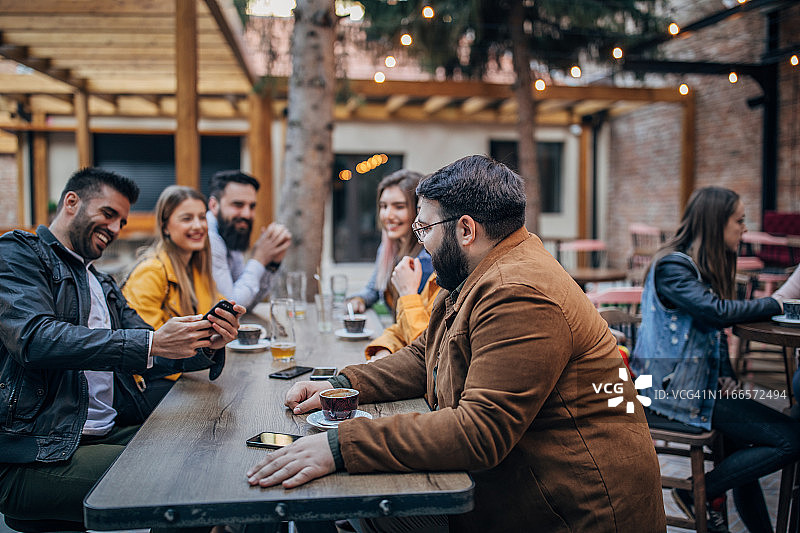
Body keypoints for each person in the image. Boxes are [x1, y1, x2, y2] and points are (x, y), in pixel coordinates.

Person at [246, 155, 666, 533]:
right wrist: (340, 383)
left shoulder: (518, 291)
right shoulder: (474, 271)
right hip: (514, 492)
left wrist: (344, 445)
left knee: (343, 499)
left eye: (424, 227)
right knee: (347, 503)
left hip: (569, 512)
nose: (420, 240)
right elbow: (421, 356)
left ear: (466, 229)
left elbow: (480, 431)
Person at [0, 168, 243, 527]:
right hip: (37, 452)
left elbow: (150, 349)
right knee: (191, 479)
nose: (115, 229)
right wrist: (151, 341)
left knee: (218, 447)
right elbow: (35, 339)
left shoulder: (100, 281)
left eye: (122, 221)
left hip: (103, 432)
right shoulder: (19, 253)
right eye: (108, 214)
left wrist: (206, 343)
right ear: (71, 202)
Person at [630, 186, 800, 532]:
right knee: (792, 439)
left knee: (745, 452)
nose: (745, 229)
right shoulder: (672, 267)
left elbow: (710, 329)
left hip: (700, 388)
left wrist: (727, 376)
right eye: (739, 221)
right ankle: (698, 495)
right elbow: (717, 312)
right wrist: (779, 304)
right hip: (671, 396)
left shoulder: (698, 266)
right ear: (716, 222)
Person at [122, 185, 225, 402]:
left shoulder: (198, 269)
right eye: (187, 218)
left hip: (185, 375)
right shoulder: (150, 271)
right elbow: (148, 349)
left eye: (201, 217)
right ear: (165, 226)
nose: (198, 226)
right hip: (150, 384)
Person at [346, 170, 434, 318]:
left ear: (419, 210)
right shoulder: (389, 246)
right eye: (384, 206)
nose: (388, 216)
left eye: (399, 207)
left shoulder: (427, 258)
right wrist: (358, 299)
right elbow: (373, 289)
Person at [207, 170, 291, 311]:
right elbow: (230, 308)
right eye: (238, 205)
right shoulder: (207, 237)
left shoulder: (229, 232)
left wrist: (272, 263)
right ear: (214, 206)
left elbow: (246, 305)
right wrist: (259, 258)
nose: (247, 214)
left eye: (252, 206)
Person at [364, 259, 440, 361]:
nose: (421, 243)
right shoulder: (436, 275)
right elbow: (402, 329)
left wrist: (408, 292)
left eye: (423, 241)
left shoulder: (427, 264)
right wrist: (383, 352)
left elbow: (430, 351)